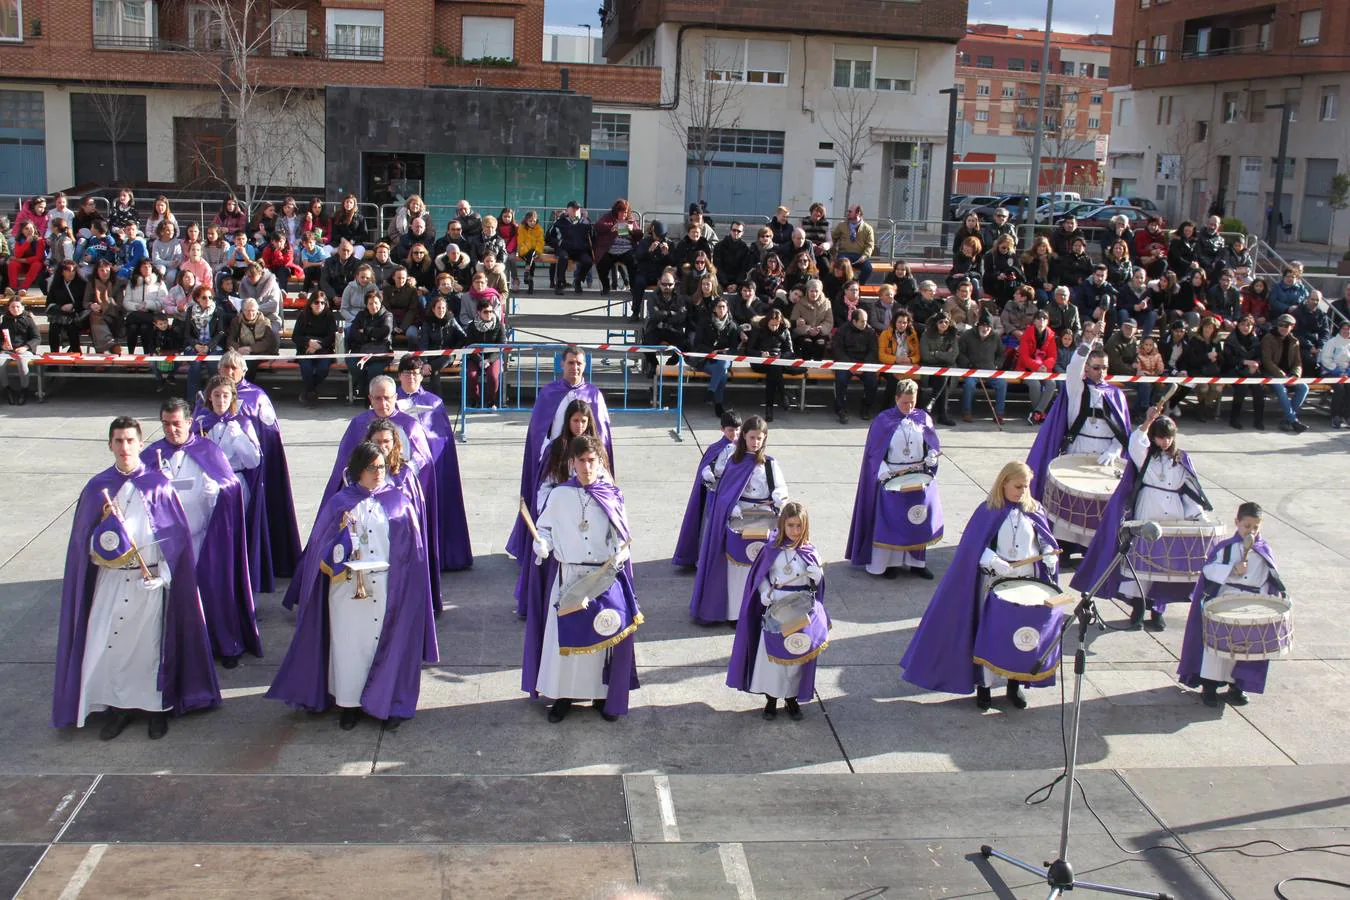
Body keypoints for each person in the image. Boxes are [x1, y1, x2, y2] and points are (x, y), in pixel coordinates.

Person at [53, 417, 220, 739]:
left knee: (150, 648)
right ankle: (118, 708)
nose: (125, 447)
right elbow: (81, 543)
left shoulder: (158, 486)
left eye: (130, 440)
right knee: (112, 646)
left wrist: (166, 576)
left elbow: (178, 542)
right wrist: (99, 545)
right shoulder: (96, 488)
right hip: (111, 580)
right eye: (118, 441)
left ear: (141, 444)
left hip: (149, 582)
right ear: (110, 445)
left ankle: (157, 708)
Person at [267, 441, 437, 730]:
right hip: (345, 589)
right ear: (358, 470)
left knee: (386, 645)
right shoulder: (340, 503)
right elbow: (321, 547)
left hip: (386, 587)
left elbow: (414, 553)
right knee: (348, 648)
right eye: (371, 468)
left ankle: (388, 702)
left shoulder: (399, 503)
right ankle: (349, 704)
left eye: (381, 467)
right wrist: (339, 545)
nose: (378, 473)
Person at [900, 460, 1060, 710]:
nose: (1022, 491)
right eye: (1018, 486)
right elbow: (973, 548)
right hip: (994, 583)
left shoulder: (1034, 510)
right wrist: (994, 561)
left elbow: (1044, 540)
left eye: (1026, 487)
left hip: (1026, 581)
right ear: (1004, 482)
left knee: (1018, 633)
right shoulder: (988, 511)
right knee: (992, 633)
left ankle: (1014, 684)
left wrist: (1050, 554)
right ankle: (984, 687)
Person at [524, 434, 641, 723]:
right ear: (572, 462)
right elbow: (546, 528)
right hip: (569, 575)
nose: (587, 467)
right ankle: (563, 697)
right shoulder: (559, 495)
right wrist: (543, 544)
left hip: (601, 577)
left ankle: (601, 696)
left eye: (592, 461)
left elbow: (621, 535)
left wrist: (620, 553)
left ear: (599, 461)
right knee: (564, 641)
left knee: (601, 640)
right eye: (581, 461)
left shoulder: (611, 494)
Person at [305, 374, 443, 613]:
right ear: (370, 398)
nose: (383, 404)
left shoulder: (409, 425)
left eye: (388, 398)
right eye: (377, 398)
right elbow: (345, 463)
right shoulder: (359, 424)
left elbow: (424, 458)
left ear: (396, 397)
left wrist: (404, 472)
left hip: (400, 492)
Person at [1071, 408, 1213, 632]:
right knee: (1142, 562)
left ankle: (1158, 612)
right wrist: (1147, 422)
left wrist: (1197, 515)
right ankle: (1138, 610)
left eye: (1168, 437)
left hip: (1174, 511)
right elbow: (1135, 443)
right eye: (1160, 436)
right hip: (1149, 506)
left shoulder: (1182, 459)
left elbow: (1190, 490)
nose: (1165, 441)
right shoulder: (1146, 457)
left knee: (1165, 565)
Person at [143, 398, 259, 667]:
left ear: (189, 423)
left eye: (177, 424)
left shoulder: (208, 450)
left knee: (213, 592)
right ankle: (179, 649)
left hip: (206, 538)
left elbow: (229, 486)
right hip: (167, 543)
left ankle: (223, 644)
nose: (172, 430)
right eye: (166, 424)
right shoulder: (152, 455)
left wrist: (216, 494)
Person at [196, 350, 302, 590]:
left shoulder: (258, 397)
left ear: (244, 371)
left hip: (248, 473)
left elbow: (269, 436)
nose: (230, 372)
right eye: (226, 368)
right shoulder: (207, 398)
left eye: (235, 368)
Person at [1025, 323, 1132, 547]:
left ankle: (1089, 549)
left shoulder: (1116, 394)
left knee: (1097, 505)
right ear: (1087, 368)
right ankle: (1065, 546)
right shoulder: (1077, 388)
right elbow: (1073, 368)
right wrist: (1087, 343)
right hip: (1078, 448)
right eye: (1095, 367)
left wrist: (1114, 451)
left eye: (1103, 367)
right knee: (1071, 501)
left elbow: (1121, 431)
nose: (1100, 372)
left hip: (1104, 455)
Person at [506, 347, 614, 564]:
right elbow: (538, 431)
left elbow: (601, 435)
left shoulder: (593, 395)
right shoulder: (548, 393)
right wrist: (548, 451)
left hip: (585, 461)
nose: (575, 367)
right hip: (556, 459)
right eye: (571, 363)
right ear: (562, 364)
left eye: (579, 363)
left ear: (585, 366)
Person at [1177, 502, 1286, 708]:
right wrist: (1230, 569)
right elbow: (1209, 571)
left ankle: (1237, 687)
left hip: (1251, 603)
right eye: (1246, 526)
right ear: (1237, 523)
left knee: (1245, 648)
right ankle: (1209, 687)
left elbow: (1270, 579)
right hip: (1226, 599)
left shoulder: (1264, 551)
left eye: (1255, 527)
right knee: (1218, 646)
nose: (1251, 531)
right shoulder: (1226, 548)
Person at [726, 501, 829, 721]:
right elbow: (761, 576)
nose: (795, 531)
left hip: (801, 608)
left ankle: (791, 699)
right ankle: (771, 699)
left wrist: (817, 576)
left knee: (795, 655)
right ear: (782, 525)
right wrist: (764, 592)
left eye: (799, 526)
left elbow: (818, 583)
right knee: (771, 657)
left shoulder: (810, 552)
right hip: (776, 607)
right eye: (790, 525)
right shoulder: (771, 550)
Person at [690, 415, 789, 625]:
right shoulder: (733, 461)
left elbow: (780, 488)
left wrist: (780, 499)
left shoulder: (770, 465)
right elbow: (725, 491)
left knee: (762, 569)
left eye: (759, 438)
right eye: (752, 437)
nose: (755, 442)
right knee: (736, 572)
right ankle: (734, 613)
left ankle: (759, 611)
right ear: (744, 436)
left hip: (764, 520)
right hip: (738, 521)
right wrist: (731, 506)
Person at [845, 379, 942, 579]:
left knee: (917, 518)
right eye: (905, 402)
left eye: (912, 402)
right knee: (893, 520)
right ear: (896, 398)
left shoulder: (923, 418)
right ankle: (890, 564)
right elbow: (874, 453)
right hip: (892, 476)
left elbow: (931, 443)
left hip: (918, 475)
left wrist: (932, 455)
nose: (909, 407)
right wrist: (884, 472)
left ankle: (917, 563)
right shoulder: (883, 420)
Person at [396, 356, 473, 570]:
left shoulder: (434, 402)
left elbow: (442, 438)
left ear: (422, 376)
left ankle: (438, 555)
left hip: (430, 467)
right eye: (406, 372)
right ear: (398, 375)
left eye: (416, 373)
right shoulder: (390, 401)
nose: (411, 376)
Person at [673, 410, 742, 568]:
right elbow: (706, 469)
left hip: (734, 495)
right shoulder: (715, 448)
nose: (735, 433)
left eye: (737, 429)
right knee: (709, 529)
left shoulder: (743, 448)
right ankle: (705, 561)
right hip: (716, 495)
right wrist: (708, 475)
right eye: (731, 430)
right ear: (722, 430)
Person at [1262, 314, 1310, 433]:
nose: (1283, 327)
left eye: (1287, 325)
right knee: (1280, 387)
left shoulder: (1294, 341)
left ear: (1292, 327)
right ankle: (1293, 420)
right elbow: (1267, 361)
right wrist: (1281, 376)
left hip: (1288, 376)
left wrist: (1295, 375)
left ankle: (1286, 420)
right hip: (1270, 374)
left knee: (1304, 387)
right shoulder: (1268, 338)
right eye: (1281, 325)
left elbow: (1298, 363)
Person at [747, 307, 797, 421]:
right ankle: (783, 396)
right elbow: (749, 350)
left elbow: (790, 351)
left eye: (777, 325)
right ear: (767, 321)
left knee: (774, 369)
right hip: (760, 362)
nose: (774, 327)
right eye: (772, 325)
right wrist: (761, 354)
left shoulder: (785, 330)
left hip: (777, 361)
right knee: (774, 369)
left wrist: (781, 357)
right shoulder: (758, 330)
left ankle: (769, 408)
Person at [695, 295, 741, 417]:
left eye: (724, 307)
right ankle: (718, 404)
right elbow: (697, 344)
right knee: (723, 374)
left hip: (724, 359)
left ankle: (711, 392)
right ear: (714, 309)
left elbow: (734, 349)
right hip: (707, 359)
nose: (722, 309)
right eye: (719, 307)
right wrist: (712, 351)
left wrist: (725, 351)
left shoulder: (732, 326)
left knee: (723, 364)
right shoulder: (705, 322)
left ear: (727, 309)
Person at [959, 312, 1007, 424]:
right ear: (978, 325)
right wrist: (967, 364)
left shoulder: (995, 337)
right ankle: (967, 412)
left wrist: (997, 365)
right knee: (969, 385)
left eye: (988, 326)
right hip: (972, 370)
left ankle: (999, 414)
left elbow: (1001, 354)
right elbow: (960, 353)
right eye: (983, 326)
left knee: (1002, 383)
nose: (985, 329)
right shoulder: (967, 335)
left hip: (990, 370)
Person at [292, 291, 338, 406]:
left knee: (323, 368)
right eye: (316, 302)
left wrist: (319, 344)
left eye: (323, 303)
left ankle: (308, 391)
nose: (320, 305)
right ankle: (311, 393)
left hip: (324, 350)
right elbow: (295, 336)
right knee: (306, 368)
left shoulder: (329, 316)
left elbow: (332, 336)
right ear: (311, 303)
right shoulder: (303, 316)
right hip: (305, 350)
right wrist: (308, 342)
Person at [348, 291, 394, 399]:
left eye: (376, 303)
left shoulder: (387, 315)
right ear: (366, 304)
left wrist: (365, 331)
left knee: (374, 370)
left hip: (380, 352)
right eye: (370, 303)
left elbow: (385, 331)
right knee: (354, 365)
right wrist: (371, 336)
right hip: (361, 350)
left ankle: (372, 397)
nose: (374, 306)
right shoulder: (361, 315)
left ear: (380, 302)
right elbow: (354, 333)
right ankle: (365, 392)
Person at [1224, 314, 1266, 430]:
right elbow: (1229, 359)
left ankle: (1259, 420)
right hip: (1233, 370)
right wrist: (1245, 362)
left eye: (1248, 325)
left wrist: (1256, 364)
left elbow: (1259, 356)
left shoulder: (1255, 339)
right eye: (1242, 324)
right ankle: (1234, 419)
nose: (1245, 327)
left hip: (1251, 370)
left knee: (1259, 388)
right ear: (1238, 325)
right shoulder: (1231, 339)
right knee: (1242, 387)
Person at [920, 312, 959, 426]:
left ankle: (932, 403)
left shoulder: (952, 336)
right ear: (936, 323)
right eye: (941, 322)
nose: (943, 324)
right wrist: (943, 355)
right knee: (943, 380)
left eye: (946, 322)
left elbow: (953, 357)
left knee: (944, 378)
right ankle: (942, 414)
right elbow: (926, 356)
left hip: (947, 369)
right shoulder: (926, 335)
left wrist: (936, 353)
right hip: (930, 369)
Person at [1018, 308, 1057, 421]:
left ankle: (1037, 412)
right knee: (1035, 385)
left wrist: (1045, 366)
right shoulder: (1027, 334)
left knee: (1051, 384)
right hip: (1026, 369)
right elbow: (1024, 356)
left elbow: (1053, 356)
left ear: (1047, 321)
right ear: (1034, 321)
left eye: (1044, 318)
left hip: (1044, 369)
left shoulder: (1051, 335)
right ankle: (1040, 414)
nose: (1041, 321)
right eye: (1039, 318)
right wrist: (1037, 367)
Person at [1, 291, 40, 405]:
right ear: (8, 308)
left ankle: (24, 389)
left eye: (18, 306)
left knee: (22, 362)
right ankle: (7, 388)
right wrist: (3, 345)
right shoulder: (5, 320)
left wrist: (26, 347)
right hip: (8, 350)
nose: (15, 309)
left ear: (22, 308)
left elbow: (36, 338)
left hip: (24, 350)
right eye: (12, 307)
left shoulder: (28, 320)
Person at [831, 205, 875, 284]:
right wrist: (833, 254)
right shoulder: (842, 225)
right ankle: (843, 286)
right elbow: (833, 239)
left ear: (858, 213)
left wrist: (865, 256)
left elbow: (870, 245)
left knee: (868, 268)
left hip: (859, 256)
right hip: (844, 254)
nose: (848, 213)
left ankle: (857, 286)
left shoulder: (868, 228)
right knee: (842, 266)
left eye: (850, 211)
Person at [1319, 319, 1350, 429]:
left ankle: (1346, 415)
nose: (1346, 331)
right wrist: (1337, 371)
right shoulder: (1332, 342)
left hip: (1345, 373)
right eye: (1344, 329)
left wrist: (1347, 371)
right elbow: (1326, 359)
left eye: (1348, 329)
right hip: (1330, 371)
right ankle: (1335, 416)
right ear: (1340, 329)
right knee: (1340, 388)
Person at [713, 221, 753, 291]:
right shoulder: (719, 246)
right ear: (730, 231)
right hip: (721, 282)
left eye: (739, 231)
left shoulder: (745, 248)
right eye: (734, 230)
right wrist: (726, 284)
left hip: (738, 283)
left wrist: (736, 284)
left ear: (742, 233)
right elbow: (717, 267)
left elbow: (744, 269)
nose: (736, 233)